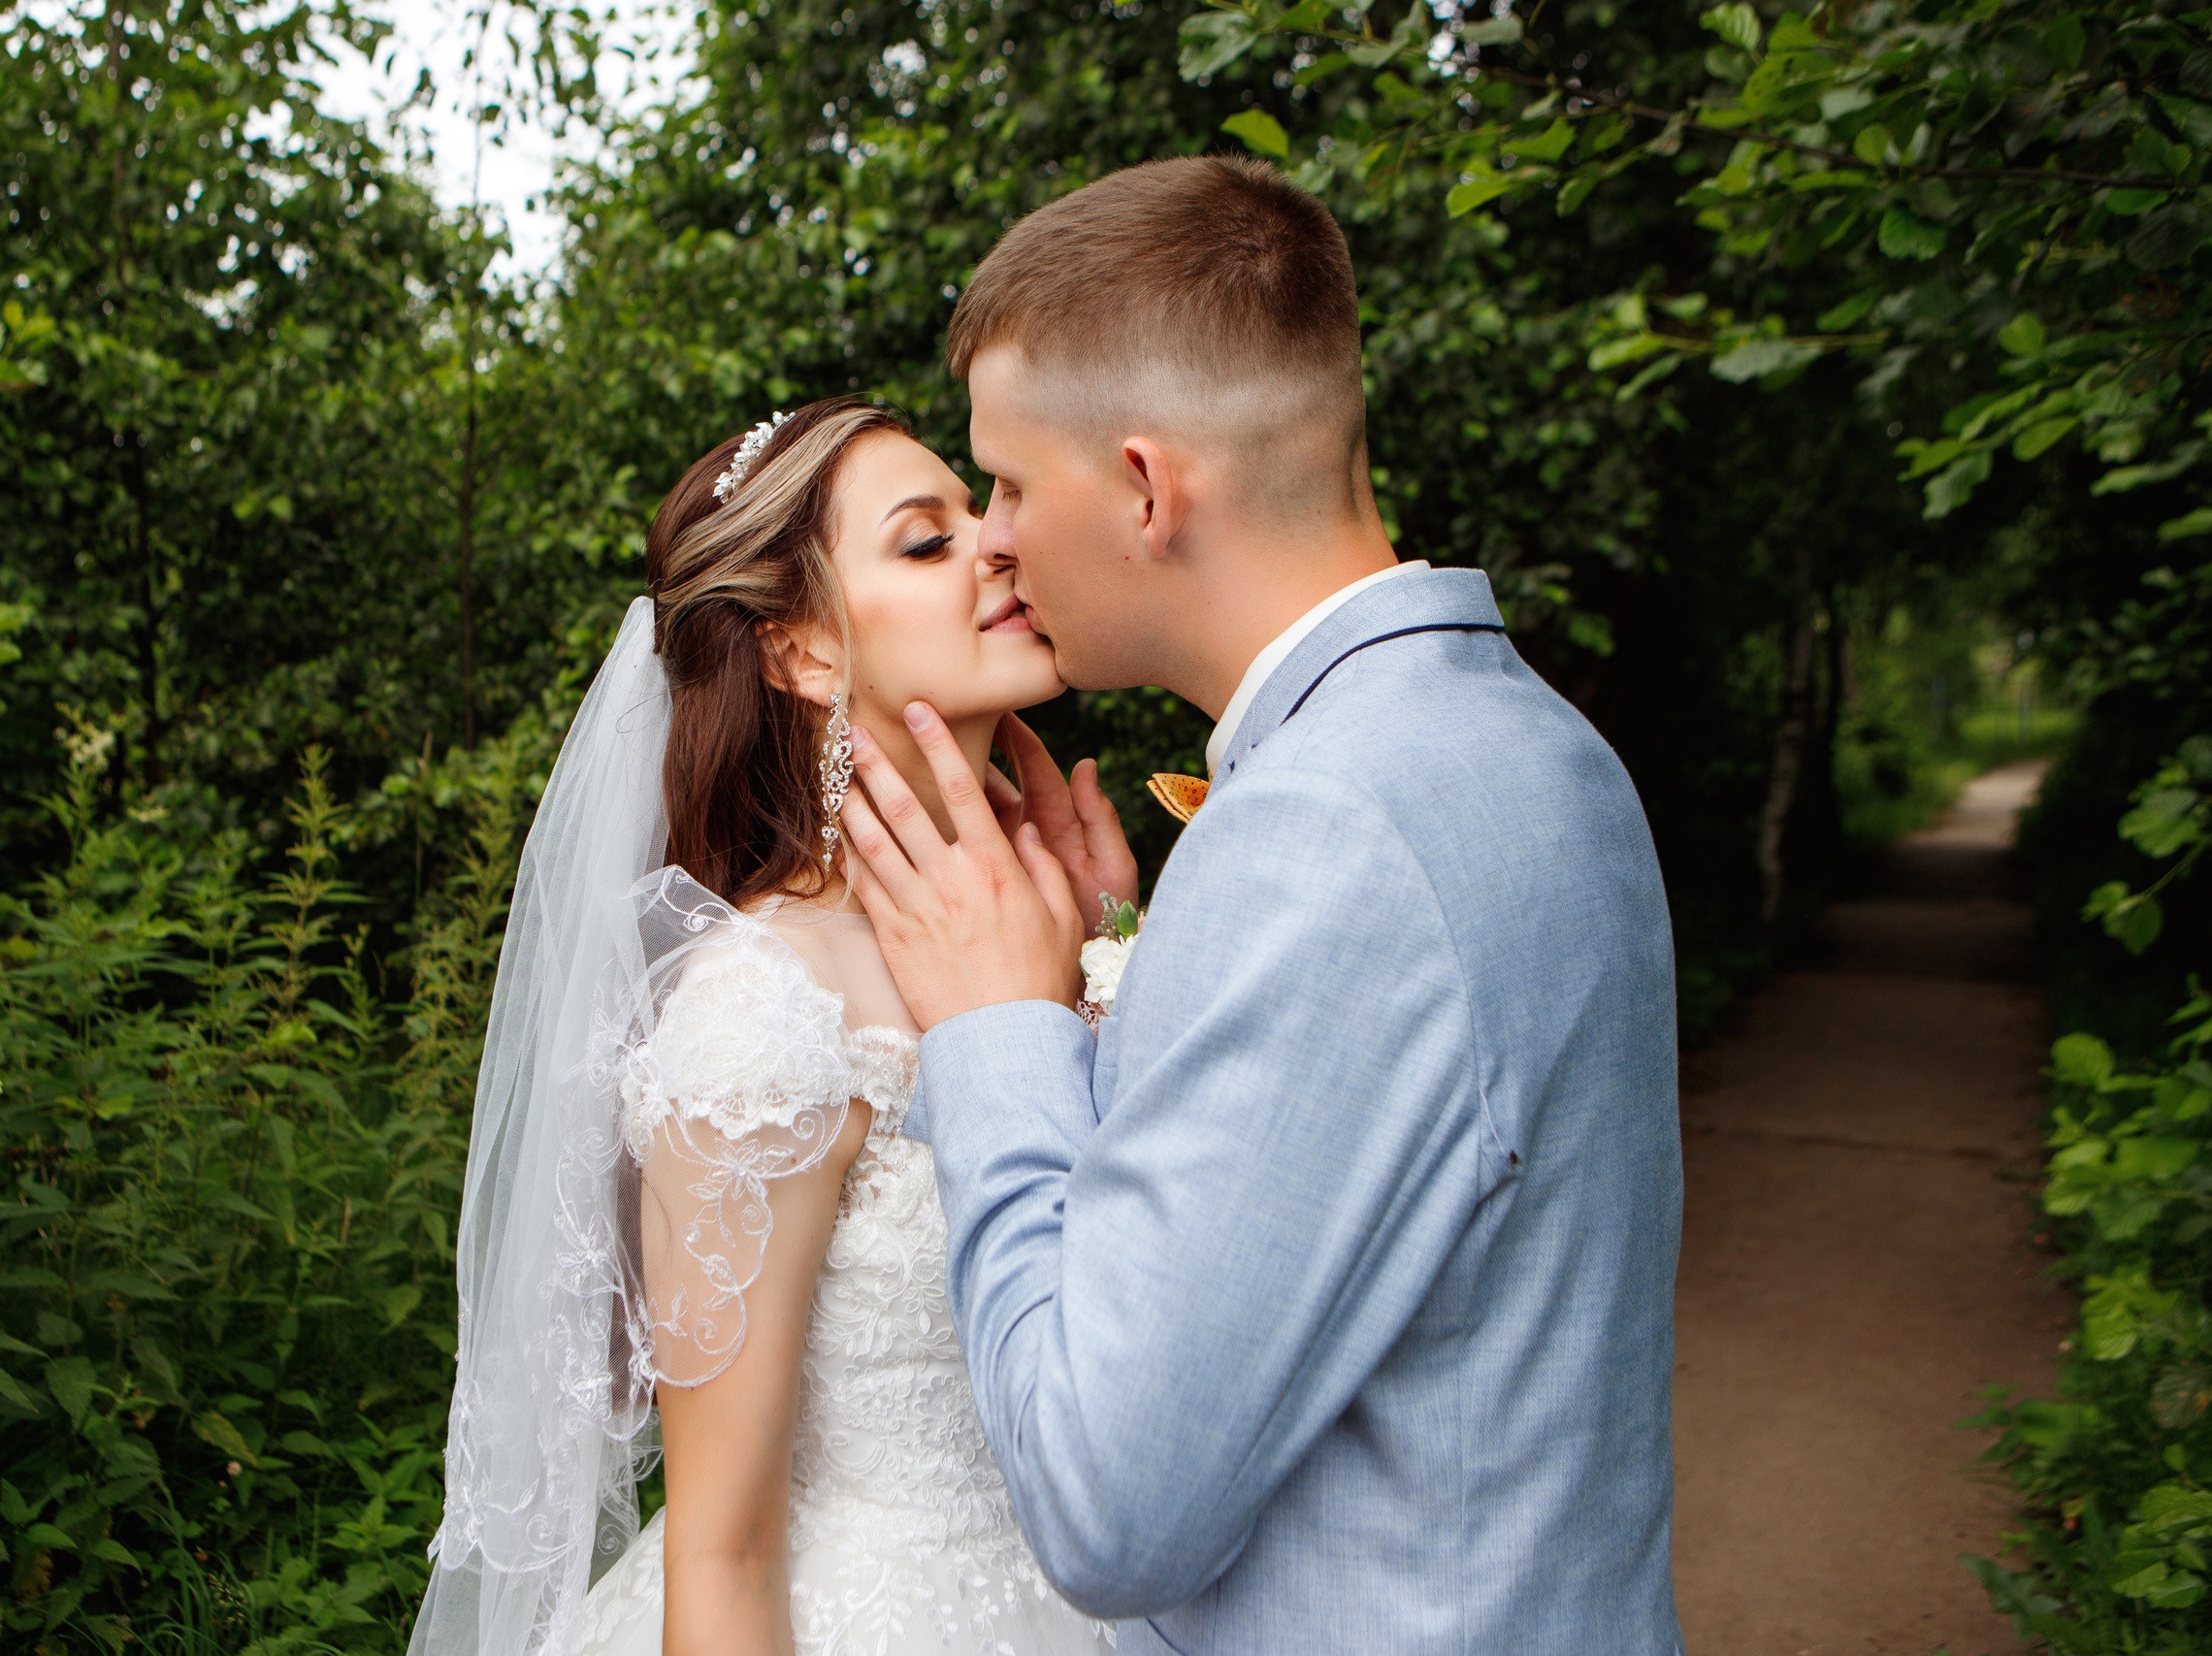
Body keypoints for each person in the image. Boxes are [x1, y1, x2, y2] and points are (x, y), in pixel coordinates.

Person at [835, 157, 1687, 1653]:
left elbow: (1111, 1511)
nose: (997, 539)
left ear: (1150, 489)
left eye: (1014, 483)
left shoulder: (1323, 834)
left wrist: (998, 1033)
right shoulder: (1543, 746)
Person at [407, 396, 1113, 1656]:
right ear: (801, 652)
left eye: (978, 513)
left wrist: (1104, 935)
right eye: (923, 539)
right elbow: (721, 1552)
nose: (995, 546)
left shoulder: (1067, 933)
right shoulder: (765, 1014)